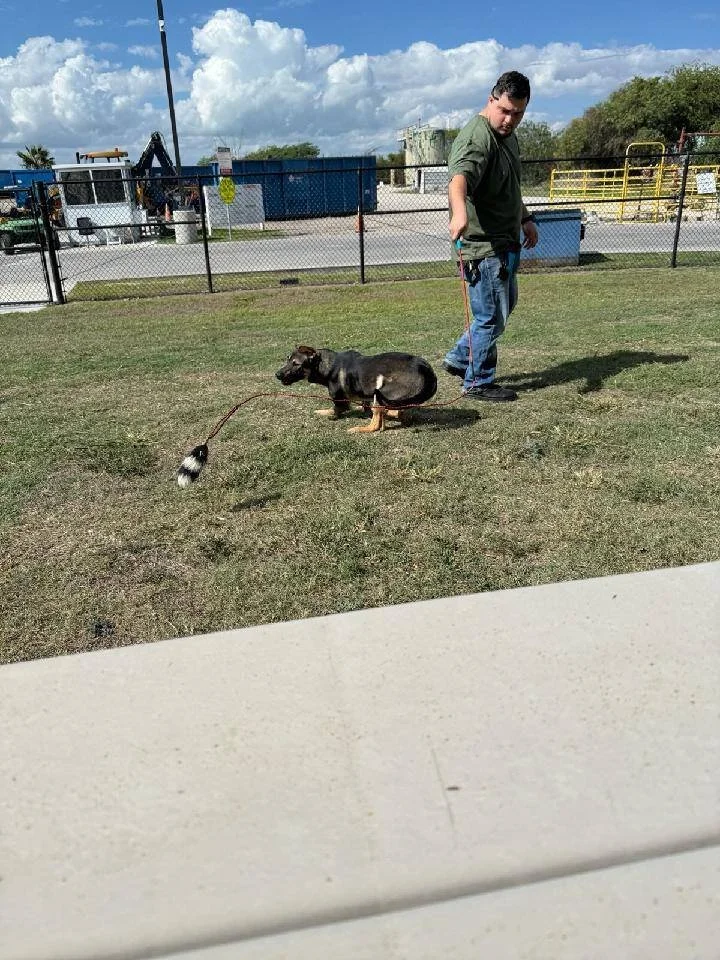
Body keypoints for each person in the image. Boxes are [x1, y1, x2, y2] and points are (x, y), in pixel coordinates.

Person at [442, 71, 539, 400]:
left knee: (502, 308)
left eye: (518, 114)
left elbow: (508, 185)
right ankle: (478, 381)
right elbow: (459, 179)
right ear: (491, 99)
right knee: (489, 316)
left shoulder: (508, 137)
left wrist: (525, 218)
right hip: (483, 248)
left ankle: (460, 358)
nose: (510, 120)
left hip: (505, 241)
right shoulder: (477, 137)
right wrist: (459, 212)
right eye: (505, 111)